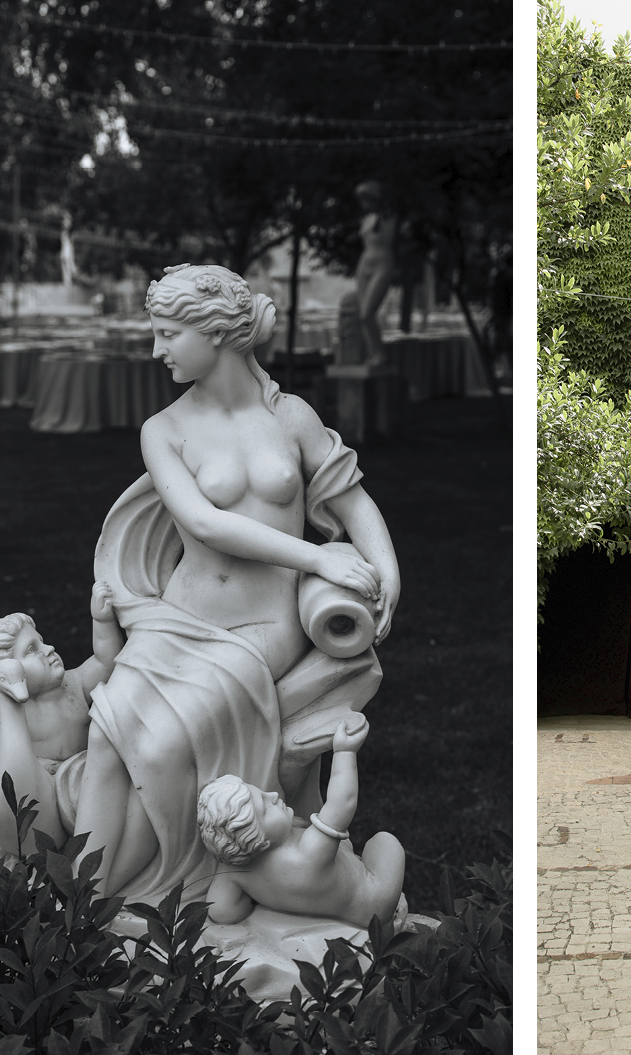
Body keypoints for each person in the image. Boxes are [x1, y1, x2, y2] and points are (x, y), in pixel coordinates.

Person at [70, 262, 401, 903]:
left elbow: (353, 501)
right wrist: (318, 558)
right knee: (106, 732)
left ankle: (169, 890)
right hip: (178, 616)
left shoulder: (294, 418)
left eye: (168, 334)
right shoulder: (163, 429)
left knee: (165, 743)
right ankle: (82, 904)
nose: (157, 349)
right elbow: (203, 522)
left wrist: (386, 572)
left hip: (259, 628)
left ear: (215, 332)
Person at [0, 584, 121, 853]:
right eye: (32, 649)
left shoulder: (74, 684)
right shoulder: (12, 714)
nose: (49, 648)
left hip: (86, 779)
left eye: (41, 641)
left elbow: (105, 661)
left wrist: (101, 620)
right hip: (43, 791)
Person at [196, 714, 404, 928]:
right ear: (260, 841)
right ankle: (392, 907)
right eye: (265, 808)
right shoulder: (306, 855)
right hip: (372, 904)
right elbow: (342, 804)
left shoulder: (233, 873)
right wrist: (345, 752)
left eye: (262, 793)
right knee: (383, 841)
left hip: (331, 891)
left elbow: (222, 911)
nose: (273, 796)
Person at [353, 181, 397, 367]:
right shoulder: (366, 218)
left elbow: (388, 238)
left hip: (382, 264)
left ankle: (380, 354)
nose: (362, 202)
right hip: (364, 266)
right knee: (362, 314)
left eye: (365, 198)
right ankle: (373, 355)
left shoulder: (388, 217)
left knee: (367, 313)